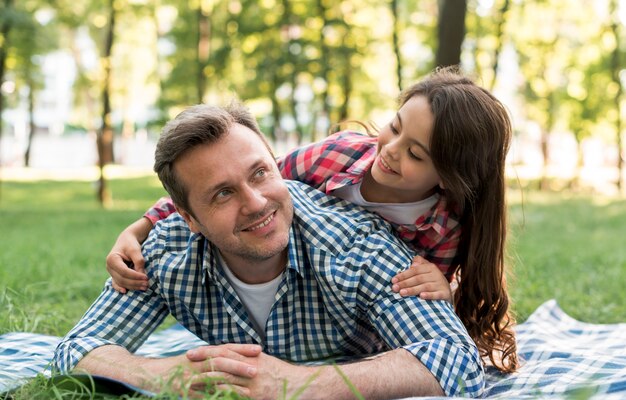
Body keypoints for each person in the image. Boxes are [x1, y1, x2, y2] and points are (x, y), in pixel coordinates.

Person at [53, 101, 484, 400]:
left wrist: (296, 383)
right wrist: (163, 375)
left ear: (276, 165)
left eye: (260, 173)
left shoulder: (358, 246)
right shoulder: (165, 252)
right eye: (223, 193)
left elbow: (458, 361)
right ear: (189, 218)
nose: (257, 203)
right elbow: (76, 349)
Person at [106, 68, 518, 373]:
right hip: (304, 287)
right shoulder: (335, 155)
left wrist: (441, 287)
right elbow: (248, 179)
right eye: (394, 127)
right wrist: (139, 228)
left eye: (416, 154)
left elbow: (420, 313)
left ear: (448, 176)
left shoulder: (445, 228)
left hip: (365, 326)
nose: (390, 151)